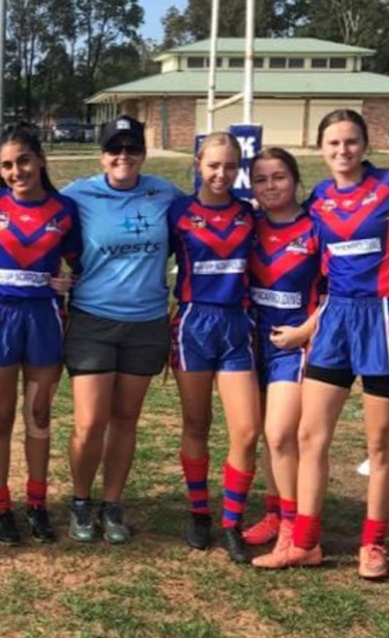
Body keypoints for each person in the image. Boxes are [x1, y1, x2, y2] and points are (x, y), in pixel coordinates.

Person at [257, 109, 389, 580]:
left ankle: (373, 544)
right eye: (333, 143)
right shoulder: (319, 200)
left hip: (382, 320)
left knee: (380, 443)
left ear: (365, 144)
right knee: (310, 436)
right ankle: (305, 543)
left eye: (350, 141)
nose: (342, 150)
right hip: (333, 322)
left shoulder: (386, 187)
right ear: (321, 148)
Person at [64, 115, 181, 544]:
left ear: (143, 154)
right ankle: (80, 500)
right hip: (92, 320)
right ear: (102, 155)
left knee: (126, 419)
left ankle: (112, 504)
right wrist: (55, 274)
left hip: (146, 322)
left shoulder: (165, 193)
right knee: (90, 422)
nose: (123, 156)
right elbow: (37, 222)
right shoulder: (77, 194)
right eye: (115, 148)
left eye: (132, 148)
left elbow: (203, 219)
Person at [0, 123, 81, 545]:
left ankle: (37, 504)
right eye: (6, 165)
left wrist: (70, 279)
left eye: (23, 161)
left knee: (38, 415)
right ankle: (0, 507)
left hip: (44, 322)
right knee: (0, 416)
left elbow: (78, 262)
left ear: (40, 160)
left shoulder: (64, 210)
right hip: (1, 320)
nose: (16, 172)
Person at [169, 131, 260, 564]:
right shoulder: (178, 212)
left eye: (230, 166)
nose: (221, 173)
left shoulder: (249, 214)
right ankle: (199, 513)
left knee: (247, 430)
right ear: (198, 165)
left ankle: (232, 523)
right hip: (193, 324)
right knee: (197, 424)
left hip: (236, 324)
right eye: (213, 165)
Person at [242, 148, 323, 565]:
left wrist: (305, 331)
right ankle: (275, 513)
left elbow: (340, 290)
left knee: (279, 434)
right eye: (261, 179)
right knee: (262, 434)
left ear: (295, 179)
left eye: (279, 177)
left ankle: (295, 531)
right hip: (251, 342)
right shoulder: (250, 227)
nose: (270, 186)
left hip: (293, 345)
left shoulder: (315, 227)